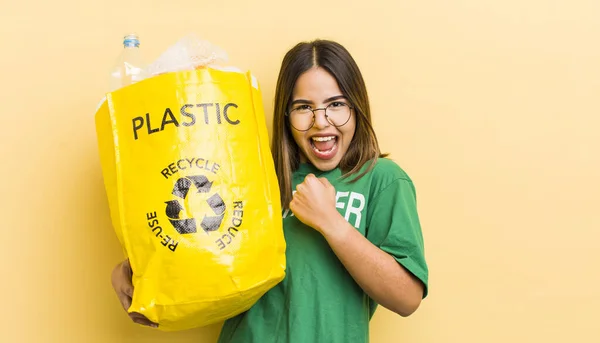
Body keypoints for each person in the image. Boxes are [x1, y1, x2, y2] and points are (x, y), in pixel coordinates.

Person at [111, 39, 429, 342]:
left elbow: (407, 298)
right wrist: (134, 271)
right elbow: (201, 245)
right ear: (286, 115)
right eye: (304, 107)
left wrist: (332, 223)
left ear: (357, 107)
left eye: (336, 104)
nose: (321, 122)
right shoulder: (255, 175)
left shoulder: (382, 179)